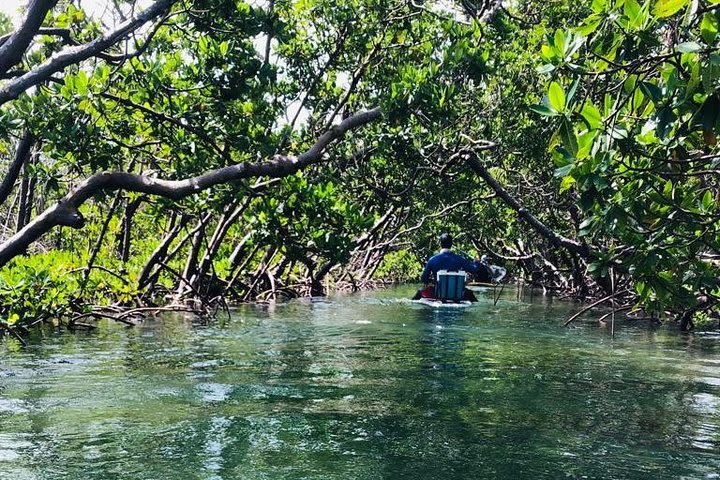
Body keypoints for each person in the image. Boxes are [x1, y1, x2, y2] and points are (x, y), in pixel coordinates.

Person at [413, 233, 485, 301]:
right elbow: (474, 270)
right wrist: (476, 262)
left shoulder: (432, 260)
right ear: (451, 244)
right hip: (457, 294)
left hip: (438, 293)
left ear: (440, 244)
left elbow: (424, 279)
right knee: (470, 293)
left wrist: (432, 281)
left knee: (419, 293)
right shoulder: (460, 259)